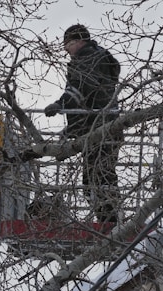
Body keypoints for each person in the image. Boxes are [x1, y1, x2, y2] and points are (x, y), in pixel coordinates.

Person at [44, 24, 123, 223]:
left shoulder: (86, 59)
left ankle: (110, 222)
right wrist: (71, 130)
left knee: (95, 181)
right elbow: (95, 98)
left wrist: (59, 104)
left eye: (67, 44)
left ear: (79, 41)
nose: (66, 50)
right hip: (107, 126)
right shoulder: (100, 57)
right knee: (103, 176)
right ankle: (112, 219)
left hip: (98, 129)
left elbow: (80, 91)